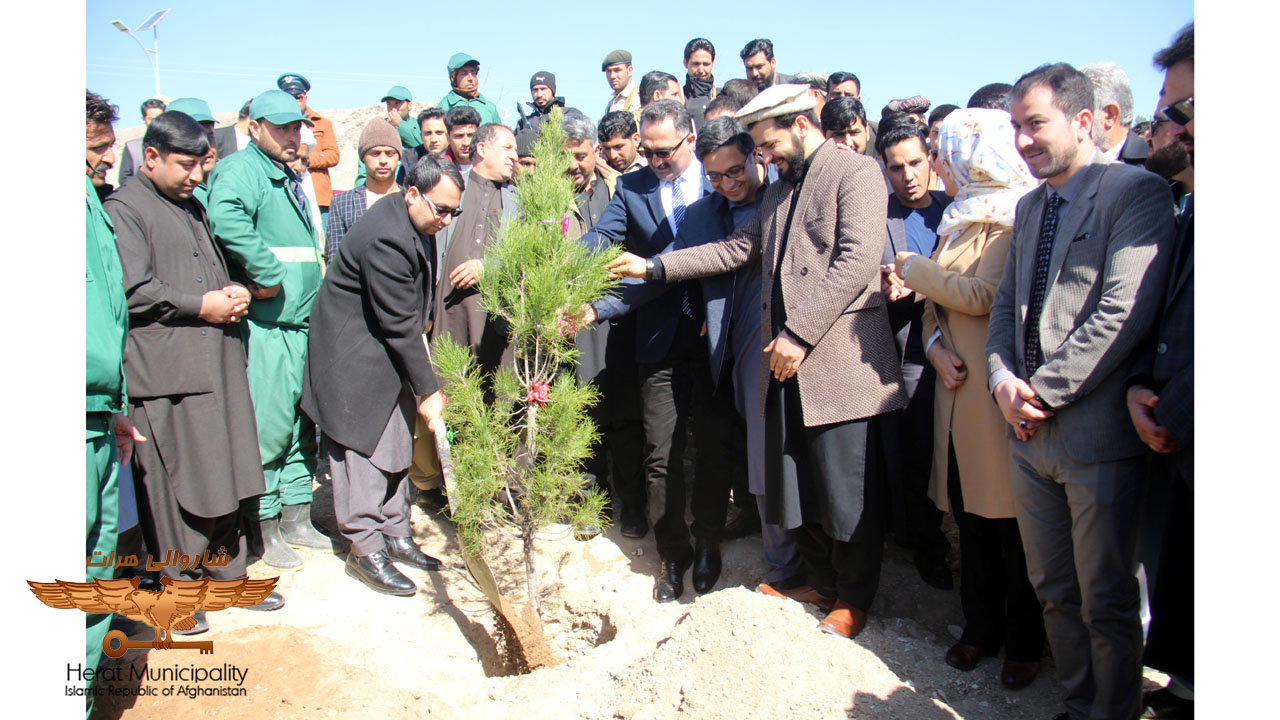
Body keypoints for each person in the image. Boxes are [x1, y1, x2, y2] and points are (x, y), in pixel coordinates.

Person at [607, 85, 906, 639]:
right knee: (800, 480)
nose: (766, 157)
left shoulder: (855, 173)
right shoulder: (782, 190)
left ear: (800, 122)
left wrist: (799, 332)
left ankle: (854, 597)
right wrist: (654, 269)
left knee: (845, 487)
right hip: (789, 365)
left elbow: (857, 259)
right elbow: (737, 248)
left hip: (839, 362)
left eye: (769, 145)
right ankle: (818, 579)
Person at [984, 63, 1174, 720]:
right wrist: (1002, 381)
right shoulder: (1031, 205)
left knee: (1106, 597)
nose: (1024, 140)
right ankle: (1079, 700)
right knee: (1054, 589)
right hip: (1027, 436)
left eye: (1035, 123)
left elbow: (1122, 312)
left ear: (1085, 120)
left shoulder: (1135, 194)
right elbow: (1007, 308)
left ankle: (1114, 711)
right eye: (1015, 128)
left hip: (1096, 438)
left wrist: (1037, 392)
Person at [105, 110, 284, 633]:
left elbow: (209, 269)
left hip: (219, 364)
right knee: (179, 486)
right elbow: (134, 291)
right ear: (152, 157)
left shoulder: (192, 205)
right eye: (186, 166)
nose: (197, 176)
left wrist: (233, 292)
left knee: (228, 473)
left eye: (202, 165)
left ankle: (228, 581)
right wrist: (199, 304)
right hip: (169, 374)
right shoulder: (127, 209)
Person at [892, 108, 1046, 690]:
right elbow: (936, 308)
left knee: (1009, 525)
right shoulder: (960, 219)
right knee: (971, 520)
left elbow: (982, 296)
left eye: (942, 150)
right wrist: (932, 347)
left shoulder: (1009, 218)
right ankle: (978, 628)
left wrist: (914, 269)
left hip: (993, 392)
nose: (936, 162)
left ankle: (1025, 641)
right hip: (956, 388)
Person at [578, 100, 738, 603]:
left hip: (714, 337)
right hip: (657, 341)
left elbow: (709, 254)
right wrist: (559, 259)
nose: (655, 161)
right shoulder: (632, 187)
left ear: (690, 138)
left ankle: (708, 541)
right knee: (661, 452)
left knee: (713, 447)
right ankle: (673, 553)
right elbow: (602, 239)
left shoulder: (721, 185)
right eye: (646, 152)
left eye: (664, 151)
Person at [302, 155, 461, 596]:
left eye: (454, 211)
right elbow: (397, 324)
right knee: (363, 449)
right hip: (351, 355)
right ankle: (364, 548)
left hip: (385, 351)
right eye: (440, 209)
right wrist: (429, 390)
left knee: (394, 445)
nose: (446, 220)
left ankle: (395, 533)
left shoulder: (417, 219)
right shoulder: (386, 237)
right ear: (412, 193)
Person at [207, 89, 331, 571]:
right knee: (269, 431)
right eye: (281, 128)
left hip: (301, 326)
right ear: (253, 127)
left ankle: (297, 515)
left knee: (302, 428)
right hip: (269, 328)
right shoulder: (242, 171)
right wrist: (265, 272)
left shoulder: (282, 172)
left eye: (297, 127)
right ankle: (263, 528)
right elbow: (225, 217)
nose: (292, 136)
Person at [1127, 22, 1194, 720]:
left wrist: (1171, 409)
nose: (1164, 125)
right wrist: (1144, 385)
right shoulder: (1190, 210)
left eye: (1180, 110)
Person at [873, 121, 953, 592]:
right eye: (897, 167)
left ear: (932, 161)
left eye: (916, 163)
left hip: (962, 347)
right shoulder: (878, 217)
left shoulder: (955, 210)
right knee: (916, 453)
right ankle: (927, 545)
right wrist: (884, 287)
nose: (908, 175)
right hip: (911, 352)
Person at [85, 90, 143, 710]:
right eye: (98, 145)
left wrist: (114, 404)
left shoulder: (90, 203)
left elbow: (106, 314)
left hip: (99, 413)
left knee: (98, 557)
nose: (108, 156)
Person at [431, 123, 518, 377]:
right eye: (507, 147)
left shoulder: (517, 201)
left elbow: (524, 258)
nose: (514, 155)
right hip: (446, 315)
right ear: (481, 148)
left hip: (494, 323)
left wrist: (487, 267)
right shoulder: (449, 188)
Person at [328, 118, 404, 261]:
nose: (383, 160)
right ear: (363, 157)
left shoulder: (410, 201)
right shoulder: (342, 203)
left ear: (398, 157)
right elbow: (334, 258)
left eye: (389, 153)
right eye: (375, 153)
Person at [278, 73, 340, 225]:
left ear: (305, 98)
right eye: (289, 98)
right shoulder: (275, 126)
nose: (294, 101)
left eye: (297, 97)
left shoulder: (322, 123)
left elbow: (333, 155)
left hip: (318, 195)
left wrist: (304, 159)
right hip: (286, 193)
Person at [1080, 62, 1149, 167]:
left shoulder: (1154, 166)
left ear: (1110, 115)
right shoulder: (1063, 169)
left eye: (1080, 115)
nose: (1071, 124)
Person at [438, 52, 501, 126]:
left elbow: (500, 136)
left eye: (473, 72)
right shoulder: (445, 106)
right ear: (454, 78)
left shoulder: (489, 108)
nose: (470, 78)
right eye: (464, 73)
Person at [117, 96, 167, 187]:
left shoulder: (172, 145)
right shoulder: (132, 147)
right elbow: (124, 179)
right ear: (144, 119)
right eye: (151, 119)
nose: (156, 122)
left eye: (159, 118)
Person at [682, 38, 717, 127]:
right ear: (685, 63)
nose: (701, 70)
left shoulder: (722, 96)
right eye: (696, 64)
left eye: (706, 64)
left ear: (713, 63)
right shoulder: (678, 99)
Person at [382, 85, 421, 154]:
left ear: (409, 105)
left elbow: (422, 146)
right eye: (389, 104)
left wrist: (400, 125)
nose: (393, 108)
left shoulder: (419, 125)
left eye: (397, 103)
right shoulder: (381, 126)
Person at [443, 106, 481, 174]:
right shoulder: (439, 169)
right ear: (448, 138)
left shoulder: (494, 165)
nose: (466, 143)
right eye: (459, 136)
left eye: (470, 135)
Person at [602, 49, 640, 116]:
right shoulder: (611, 104)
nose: (612, 76)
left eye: (617, 70)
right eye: (609, 71)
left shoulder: (639, 98)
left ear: (630, 70)